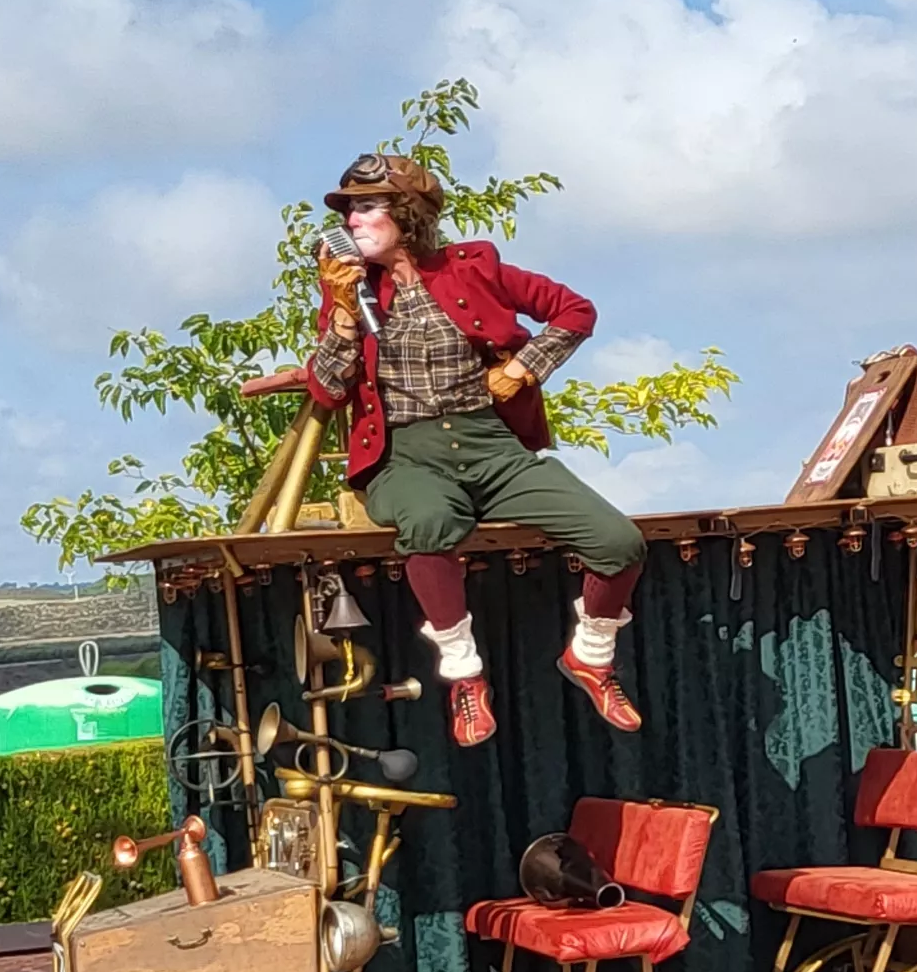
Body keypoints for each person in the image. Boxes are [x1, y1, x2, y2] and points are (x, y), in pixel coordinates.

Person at [248, 153, 645, 747]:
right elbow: (330, 388)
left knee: (618, 542)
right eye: (348, 211)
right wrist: (343, 313)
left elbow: (575, 311)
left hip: (492, 445)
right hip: (405, 456)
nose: (353, 221)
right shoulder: (350, 296)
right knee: (430, 520)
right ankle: (464, 676)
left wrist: (522, 368)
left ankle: (591, 654)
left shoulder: (472, 267)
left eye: (367, 207)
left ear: (407, 215)